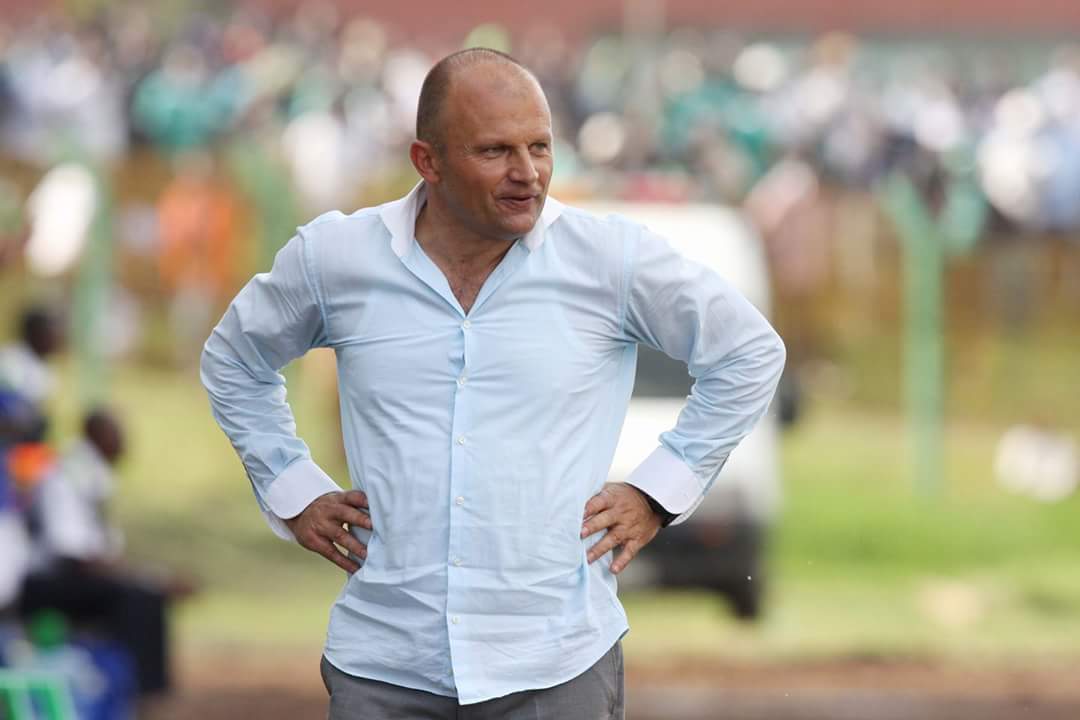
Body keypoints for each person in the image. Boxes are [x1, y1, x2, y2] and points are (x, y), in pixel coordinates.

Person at [202, 48, 785, 719]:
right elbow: (234, 360)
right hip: (384, 665)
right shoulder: (335, 259)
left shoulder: (611, 260)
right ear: (428, 162)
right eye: (495, 151)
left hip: (556, 665)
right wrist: (293, 490)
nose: (527, 173)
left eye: (540, 146)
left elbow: (749, 351)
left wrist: (658, 491)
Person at [17, 409, 185, 696]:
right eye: (116, 436)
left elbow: (101, 553)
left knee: (146, 595)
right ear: (96, 436)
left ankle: (138, 690)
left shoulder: (91, 476)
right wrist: (144, 577)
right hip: (44, 582)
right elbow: (72, 555)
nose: (123, 444)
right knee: (137, 598)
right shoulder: (69, 474)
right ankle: (137, 692)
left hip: (71, 576)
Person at [0, 305, 65, 410]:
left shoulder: (48, 370)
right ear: (35, 333)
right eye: (49, 333)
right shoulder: (10, 359)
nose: (55, 338)